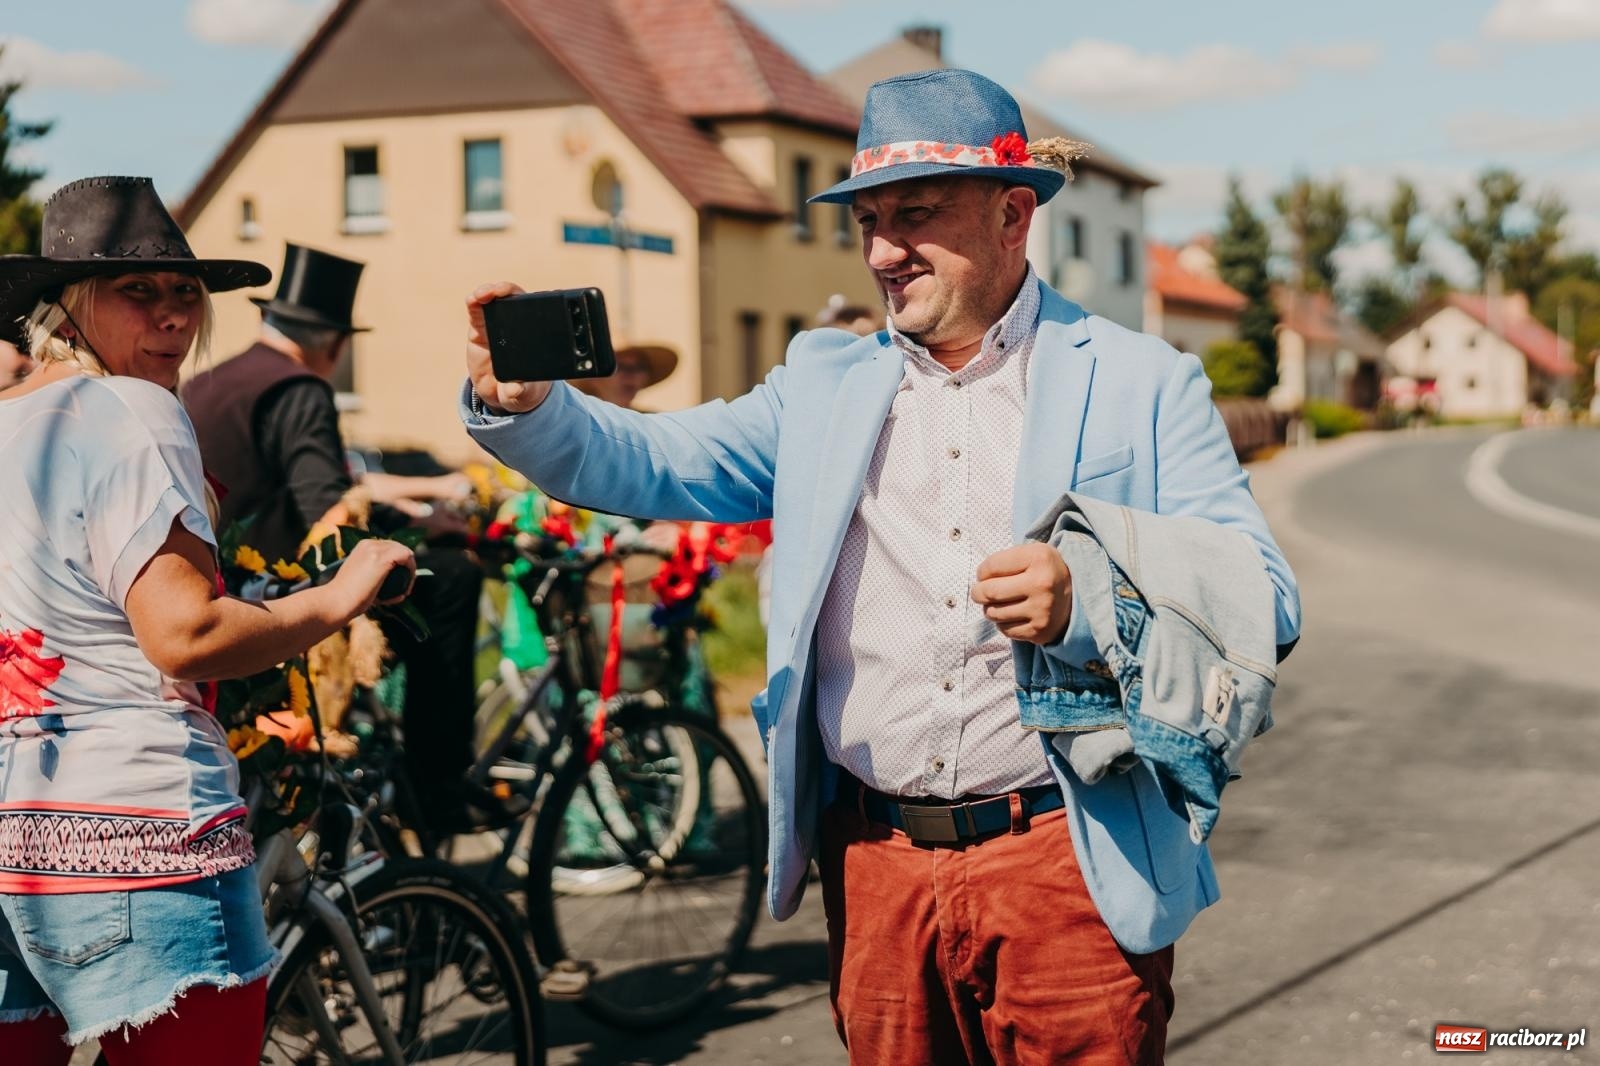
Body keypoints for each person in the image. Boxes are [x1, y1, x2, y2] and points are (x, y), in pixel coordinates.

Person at [460, 69, 1300, 1064]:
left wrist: (1088, 597)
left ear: (1011, 214)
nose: (884, 250)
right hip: (874, 865)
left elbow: (1262, 595)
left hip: (1061, 858)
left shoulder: (1141, 381)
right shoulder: (821, 384)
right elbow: (652, 460)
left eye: (915, 215)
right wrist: (527, 407)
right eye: (868, 220)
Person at [0, 176, 414, 1064]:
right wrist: (341, 595)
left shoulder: (8, 423)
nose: (173, 317)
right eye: (137, 292)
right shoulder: (135, 410)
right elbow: (182, 634)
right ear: (65, 308)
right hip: (141, 832)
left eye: (185, 292)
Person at [184, 243, 521, 836]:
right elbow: (328, 509)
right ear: (333, 343)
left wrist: (417, 493)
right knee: (452, 580)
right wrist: (418, 535)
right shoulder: (301, 389)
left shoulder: (214, 378)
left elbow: (314, 479)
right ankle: (437, 782)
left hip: (213, 574)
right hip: (274, 590)